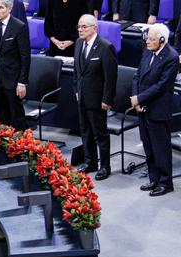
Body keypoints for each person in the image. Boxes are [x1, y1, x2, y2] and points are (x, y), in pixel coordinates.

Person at [132, 23, 179, 197]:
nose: (147, 42)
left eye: (151, 39)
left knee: (161, 149)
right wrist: (136, 98)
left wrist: (140, 98)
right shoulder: (147, 51)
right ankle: (154, 178)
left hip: (158, 108)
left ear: (162, 40)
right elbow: (137, 76)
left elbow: (162, 86)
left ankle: (165, 183)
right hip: (143, 107)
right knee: (148, 146)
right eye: (147, 38)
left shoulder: (171, 57)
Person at [73, 14, 118, 180]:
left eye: (84, 27)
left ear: (94, 28)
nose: (80, 30)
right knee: (85, 131)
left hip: (98, 99)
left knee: (100, 134)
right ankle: (90, 161)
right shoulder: (79, 43)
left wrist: (107, 99)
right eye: (79, 27)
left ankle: (105, 166)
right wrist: (76, 89)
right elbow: (77, 71)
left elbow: (110, 77)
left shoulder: (105, 47)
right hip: (82, 96)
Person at [0, 0, 31, 131]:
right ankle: (4, 141)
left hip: (13, 80)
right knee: (1, 115)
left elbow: (25, 58)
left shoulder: (19, 27)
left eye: (0, 7)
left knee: (17, 117)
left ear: (9, 9)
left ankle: (22, 141)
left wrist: (22, 82)